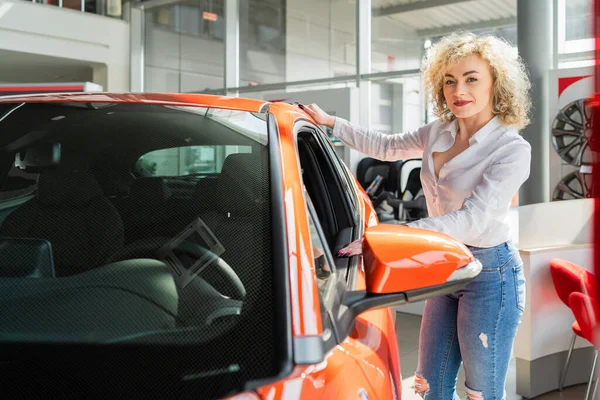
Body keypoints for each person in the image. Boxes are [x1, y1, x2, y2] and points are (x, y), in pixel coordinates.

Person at [298, 31, 531, 400]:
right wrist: (330, 122)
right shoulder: (439, 130)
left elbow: (474, 219)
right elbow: (387, 147)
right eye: (450, 80)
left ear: (495, 84)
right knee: (429, 386)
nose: (459, 90)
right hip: (444, 265)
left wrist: (397, 236)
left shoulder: (512, 149)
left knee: (481, 392)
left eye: (472, 79)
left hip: (491, 274)